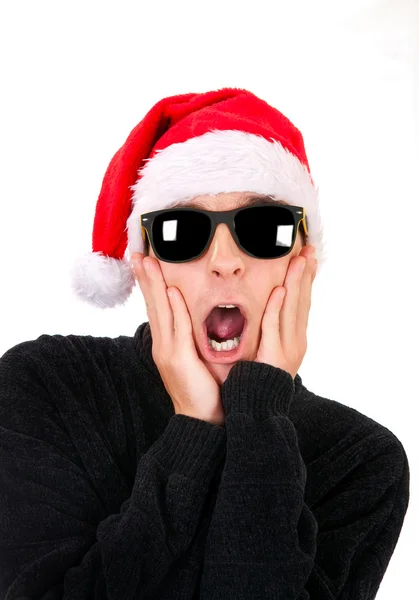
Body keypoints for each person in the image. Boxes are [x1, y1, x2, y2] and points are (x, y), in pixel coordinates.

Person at [0, 88, 409, 599]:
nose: (224, 260)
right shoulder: (48, 386)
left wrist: (257, 420)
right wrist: (194, 428)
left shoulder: (361, 461)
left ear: (301, 259)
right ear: (144, 261)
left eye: (263, 227)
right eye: (181, 231)